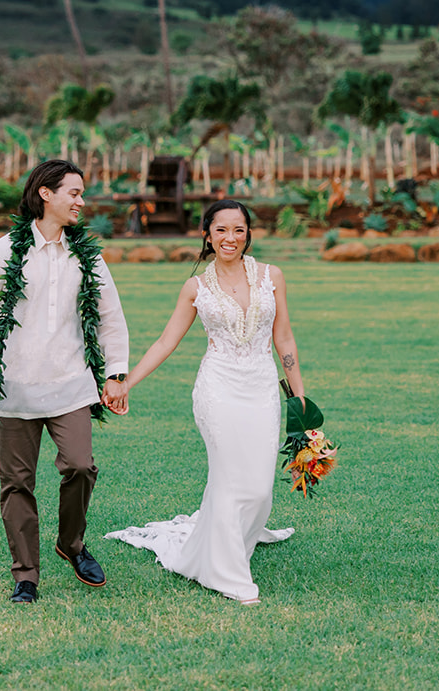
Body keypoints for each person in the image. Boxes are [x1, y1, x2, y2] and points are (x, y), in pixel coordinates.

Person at [102, 200, 304, 603]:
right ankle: (229, 575)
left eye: (239, 230)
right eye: (222, 230)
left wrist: (299, 397)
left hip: (262, 388)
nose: (230, 238)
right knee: (231, 479)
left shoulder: (272, 277)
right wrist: (126, 382)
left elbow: (284, 339)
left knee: (261, 488)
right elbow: (166, 341)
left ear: (248, 234)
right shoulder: (196, 287)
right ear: (207, 235)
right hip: (218, 389)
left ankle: (225, 547)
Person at [0, 159, 131, 604]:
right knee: (17, 482)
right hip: (14, 386)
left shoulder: (86, 255)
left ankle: (71, 544)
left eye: (82, 193)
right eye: (74, 192)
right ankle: (26, 575)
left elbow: (111, 317)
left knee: (80, 465)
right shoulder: (3, 252)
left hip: (71, 382)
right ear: (46, 194)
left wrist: (114, 374)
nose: (81, 201)